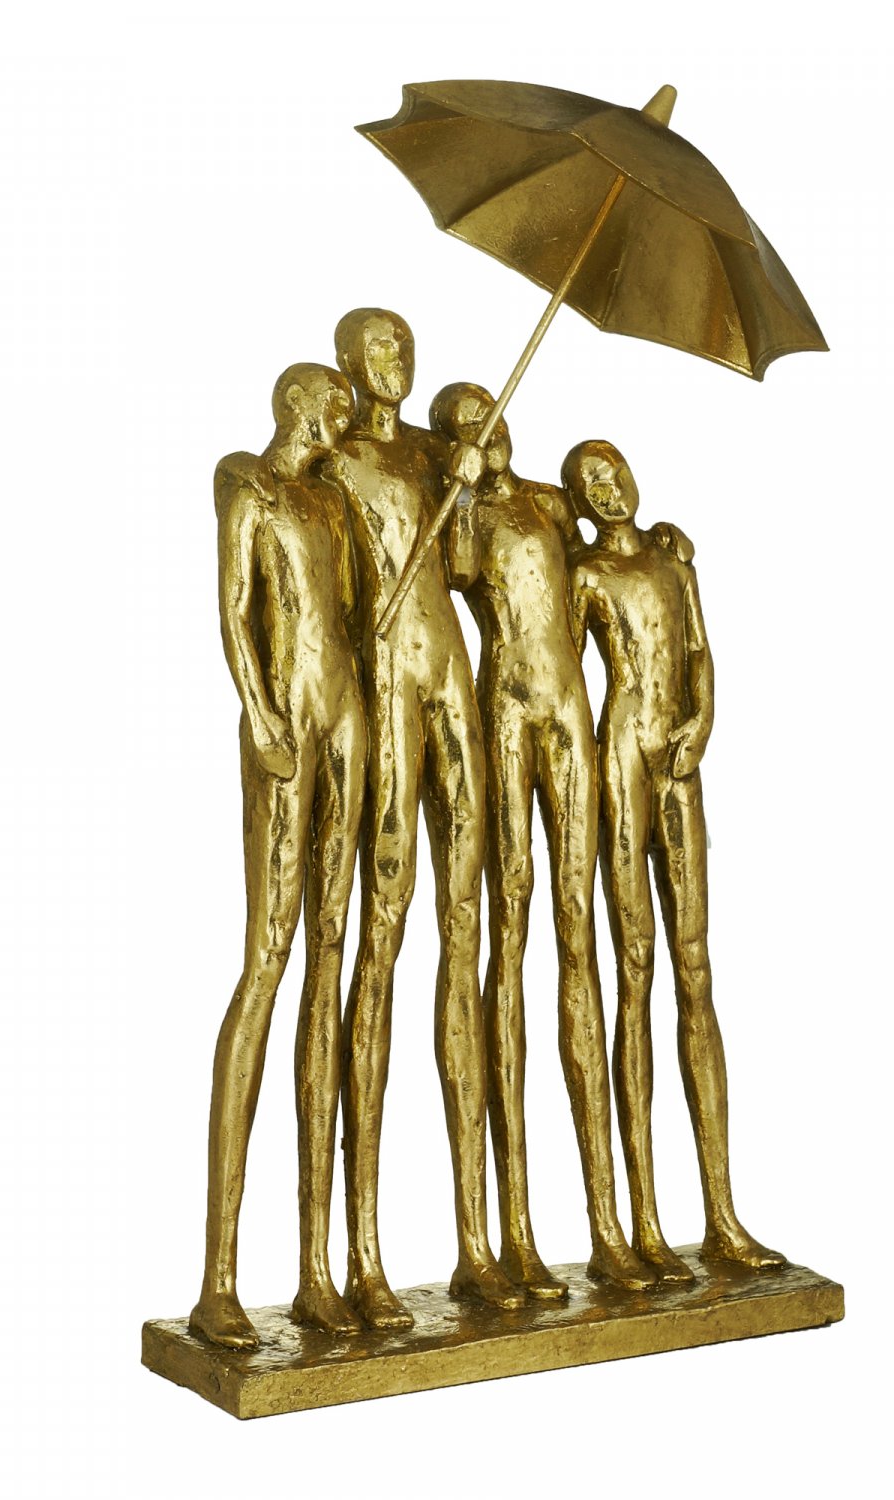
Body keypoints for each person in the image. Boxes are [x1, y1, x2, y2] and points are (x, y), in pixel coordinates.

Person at [431, 382, 656, 1298]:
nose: (487, 426)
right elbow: (455, 571)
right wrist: (459, 489)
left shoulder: (553, 506)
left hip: (571, 706)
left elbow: (604, 554)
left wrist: (665, 541)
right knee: (510, 928)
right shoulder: (467, 511)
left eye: (490, 413)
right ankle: (511, 1231)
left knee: (580, 930)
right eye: (465, 422)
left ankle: (611, 1225)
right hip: (508, 705)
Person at [322, 310, 522, 1327]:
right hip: (386, 683)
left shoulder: (440, 458)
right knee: (383, 938)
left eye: (403, 347)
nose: (394, 363)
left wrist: (473, 489)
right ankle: (362, 1253)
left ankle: (479, 1243)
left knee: (466, 927)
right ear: (349, 364)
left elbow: (476, 574)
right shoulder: (334, 460)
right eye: (378, 349)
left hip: (451, 673)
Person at [567, 439, 785, 1278]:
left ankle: (721, 1214)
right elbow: (555, 665)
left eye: (613, 473)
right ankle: (640, 1223)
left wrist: (703, 720)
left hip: (677, 755)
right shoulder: (586, 573)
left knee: (695, 968)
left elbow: (698, 651)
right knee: (634, 968)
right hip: (621, 753)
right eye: (590, 484)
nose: (607, 490)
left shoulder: (671, 559)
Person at [190, 363, 368, 1350]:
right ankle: (219, 1279)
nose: (348, 412)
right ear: (299, 405)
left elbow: (354, 615)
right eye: (335, 400)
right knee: (268, 959)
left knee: (330, 961)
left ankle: (316, 1271)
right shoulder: (247, 483)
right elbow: (234, 611)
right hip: (287, 723)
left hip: (348, 716)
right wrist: (260, 715)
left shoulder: (334, 503)